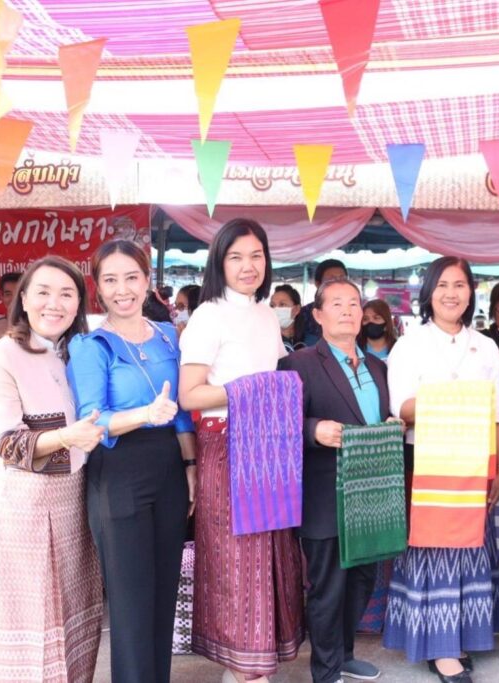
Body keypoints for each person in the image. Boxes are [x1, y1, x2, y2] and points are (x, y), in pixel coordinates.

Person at [177, 218, 304, 682]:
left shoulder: (266, 314)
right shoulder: (208, 315)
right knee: (236, 559)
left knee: (270, 555)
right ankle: (241, 667)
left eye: (256, 256)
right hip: (227, 445)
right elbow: (189, 394)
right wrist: (251, 389)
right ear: (219, 263)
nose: (248, 266)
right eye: (236, 257)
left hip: (269, 445)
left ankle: (253, 665)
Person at [66, 240, 197, 683]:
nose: (122, 289)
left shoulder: (168, 336)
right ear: (98, 288)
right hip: (119, 469)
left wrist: (191, 466)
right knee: (131, 602)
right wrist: (145, 414)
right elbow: (92, 419)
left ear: (146, 281)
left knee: (162, 595)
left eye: (131, 278)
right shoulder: (91, 345)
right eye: (110, 280)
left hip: (169, 468)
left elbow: (181, 412)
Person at [0, 256, 105, 682]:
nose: (54, 304)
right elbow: (8, 444)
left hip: (74, 506)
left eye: (67, 294)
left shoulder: (74, 353)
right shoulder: (2, 357)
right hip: (23, 513)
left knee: (73, 618)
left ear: (79, 303)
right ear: (24, 300)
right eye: (43, 292)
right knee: (30, 625)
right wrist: (67, 437)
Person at [383, 256, 499, 683]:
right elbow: (401, 408)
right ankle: (440, 647)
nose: (451, 294)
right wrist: (460, 399)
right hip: (427, 463)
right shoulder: (409, 344)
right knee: (434, 550)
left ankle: (462, 635)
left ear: (471, 292)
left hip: (475, 461)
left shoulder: (485, 346)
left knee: (471, 549)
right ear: (428, 293)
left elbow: (498, 414)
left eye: (460, 285)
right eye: (442, 285)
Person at [284, 277, 390, 683]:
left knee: (363, 579)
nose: (347, 311)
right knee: (327, 586)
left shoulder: (378, 367)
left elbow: (379, 416)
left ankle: (345, 654)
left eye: (353, 304)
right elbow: (280, 423)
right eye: (337, 304)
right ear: (318, 315)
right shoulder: (299, 363)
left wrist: (391, 424)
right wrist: (313, 429)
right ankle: (325, 671)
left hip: (371, 489)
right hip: (324, 491)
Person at [302, 259, 349, 347]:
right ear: (318, 284)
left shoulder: (354, 312)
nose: (338, 283)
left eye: (342, 279)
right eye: (331, 279)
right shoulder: (305, 314)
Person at [271, 284, 307, 352]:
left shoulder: (310, 341)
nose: (276, 309)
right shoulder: (266, 339)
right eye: (272, 305)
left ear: (296, 309)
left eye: (282, 304)